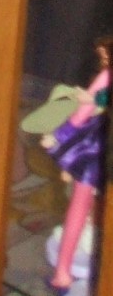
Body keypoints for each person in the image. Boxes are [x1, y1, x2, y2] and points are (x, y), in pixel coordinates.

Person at [40, 36, 111, 290]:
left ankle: (65, 267)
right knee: (80, 206)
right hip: (99, 149)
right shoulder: (107, 77)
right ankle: (63, 269)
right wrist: (60, 135)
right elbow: (82, 112)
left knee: (82, 208)